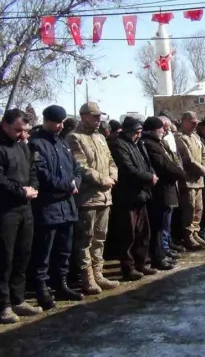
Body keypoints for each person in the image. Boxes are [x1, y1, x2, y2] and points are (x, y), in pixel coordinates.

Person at [0, 109, 42, 324]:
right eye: (18, 130)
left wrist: (33, 187)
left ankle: (18, 298)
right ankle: (2, 304)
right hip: (3, 210)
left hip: (25, 207)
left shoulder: (22, 144)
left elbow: (33, 169)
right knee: (3, 258)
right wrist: (21, 191)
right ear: (5, 125)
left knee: (22, 255)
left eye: (24, 130)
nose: (22, 135)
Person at [28, 105, 84, 309]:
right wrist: (67, 186)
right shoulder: (36, 143)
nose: (61, 126)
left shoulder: (62, 142)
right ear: (46, 120)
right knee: (44, 252)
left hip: (67, 206)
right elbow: (42, 174)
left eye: (62, 122)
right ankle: (42, 289)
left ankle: (61, 284)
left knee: (64, 250)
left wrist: (75, 182)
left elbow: (76, 168)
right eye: (57, 122)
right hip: (48, 206)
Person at [66, 102, 120, 295]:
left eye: (100, 117)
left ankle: (98, 273)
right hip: (88, 197)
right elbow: (80, 166)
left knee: (100, 237)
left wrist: (113, 175)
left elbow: (111, 160)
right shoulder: (74, 137)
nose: (99, 120)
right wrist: (101, 179)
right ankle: (86, 277)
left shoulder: (99, 137)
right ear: (84, 116)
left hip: (105, 196)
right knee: (85, 239)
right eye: (95, 116)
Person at [106, 116, 158, 281]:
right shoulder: (118, 145)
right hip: (127, 196)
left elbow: (145, 164)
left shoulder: (136, 145)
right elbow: (127, 169)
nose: (139, 135)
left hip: (141, 194)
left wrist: (151, 175)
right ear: (128, 132)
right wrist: (148, 178)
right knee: (128, 234)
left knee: (143, 232)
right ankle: (128, 268)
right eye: (136, 132)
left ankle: (141, 263)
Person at [141, 116, 186, 270]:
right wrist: (180, 173)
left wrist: (178, 170)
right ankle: (157, 257)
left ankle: (161, 255)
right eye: (161, 128)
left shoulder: (158, 143)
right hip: (160, 190)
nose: (164, 130)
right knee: (158, 227)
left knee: (162, 226)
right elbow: (164, 165)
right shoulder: (150, 144)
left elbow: (172, 160)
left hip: (167, 189)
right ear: (154, 129)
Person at [175, 112, 205, 249]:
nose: (195, 125)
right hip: (188, 180)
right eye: (192, 122)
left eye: (196, 123)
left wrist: (204, 167)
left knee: (198, 209)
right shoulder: (179, 137)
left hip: (199, 180)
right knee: (189, 208)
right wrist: (201, 169)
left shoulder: (195, 137)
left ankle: (195, 233)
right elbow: (187, 159)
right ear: (184, 121)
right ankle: (187, 236)